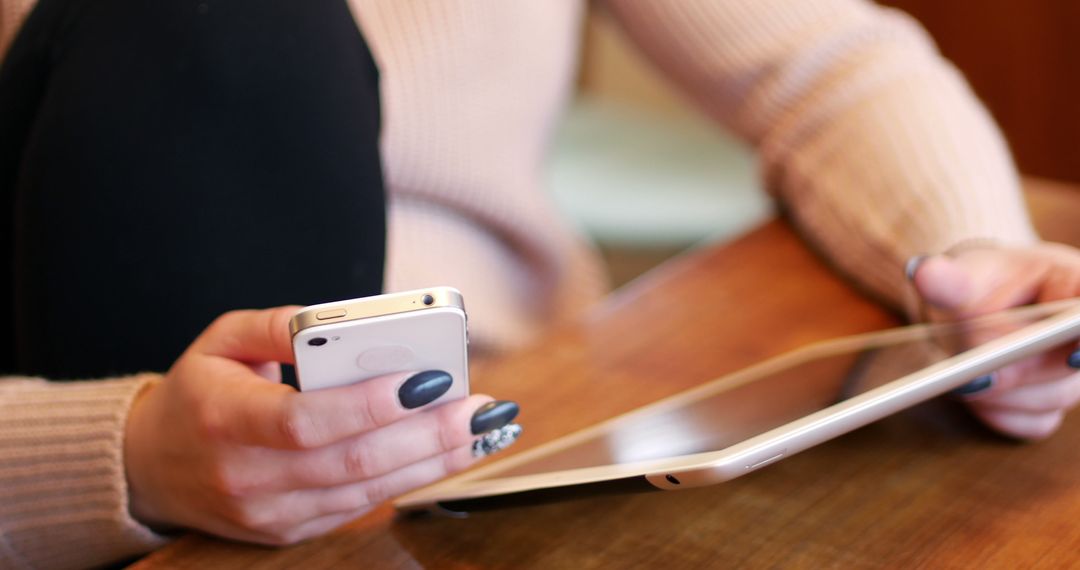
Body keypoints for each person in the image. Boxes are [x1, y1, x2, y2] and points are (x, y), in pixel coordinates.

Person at [1, 0, 1079, 568]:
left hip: (528, 436)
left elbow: (828, 67)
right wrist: (129, 454)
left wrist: (971, 259)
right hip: (118, 501)